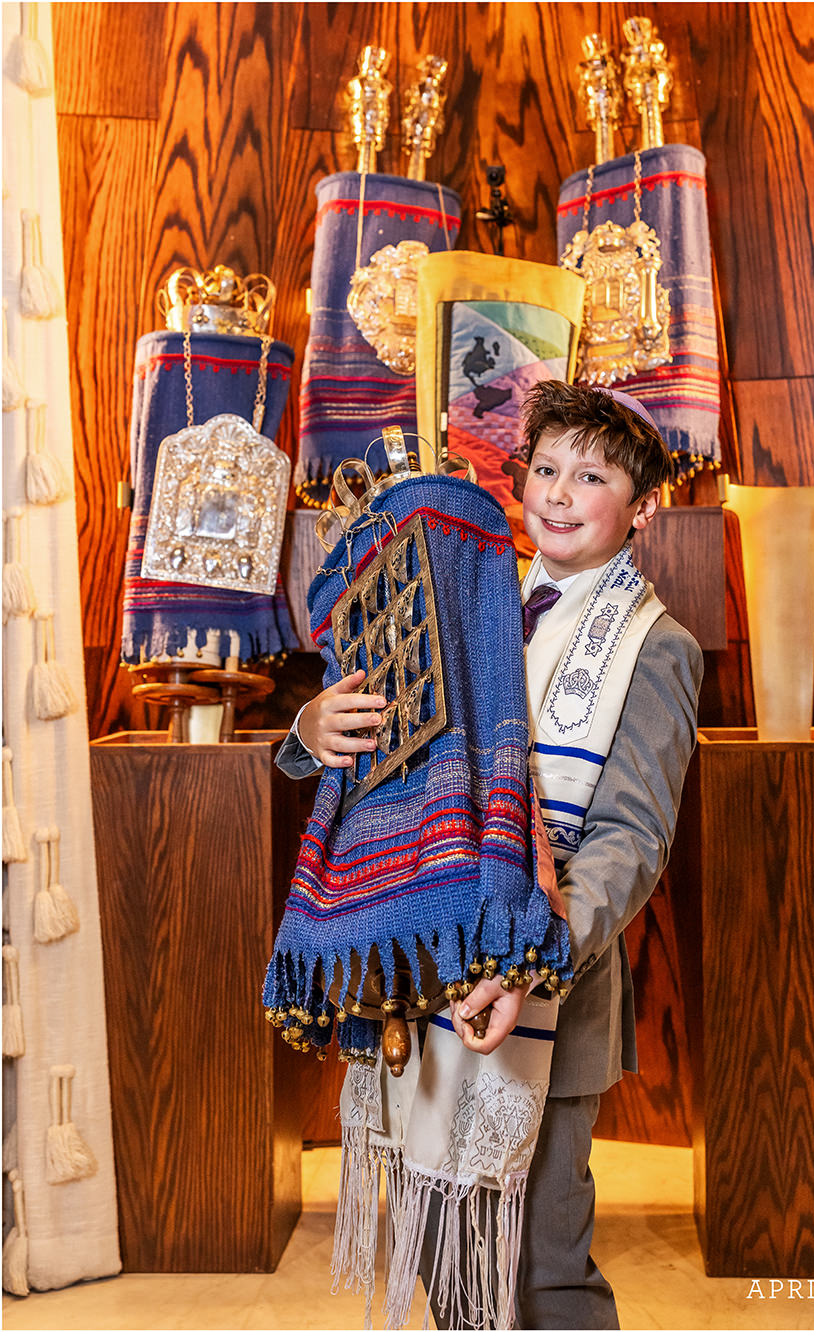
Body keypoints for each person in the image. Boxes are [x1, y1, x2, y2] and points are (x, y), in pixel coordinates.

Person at [280, 379, 702, 1330]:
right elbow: (383, 761)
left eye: (588, 476)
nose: (555, 493)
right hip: (427, 965)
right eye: (544, 468)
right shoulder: (465, 590)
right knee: (447, 1258)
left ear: (639, 507)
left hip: (547, 979)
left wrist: (532, 954)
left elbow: (630, 840)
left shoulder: (655, 645)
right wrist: (314, 729)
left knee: (543, 1264)